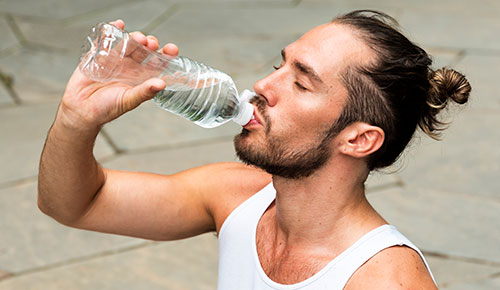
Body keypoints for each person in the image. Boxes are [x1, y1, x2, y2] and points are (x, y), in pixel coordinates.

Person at [38, 10, 471, 289]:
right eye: (279, 64)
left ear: (358, 139)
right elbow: (76, 203)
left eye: (301, 82)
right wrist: (77, 120)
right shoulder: (235, 198)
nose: (264, 86)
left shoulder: (384, 280)